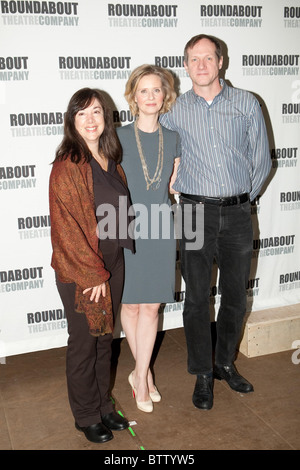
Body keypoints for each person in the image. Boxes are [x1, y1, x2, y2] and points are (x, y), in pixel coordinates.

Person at [160, 34, 271, 410]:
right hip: (193, 211)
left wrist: (242, 200)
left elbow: (262, 161)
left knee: (236, 296)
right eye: (194, 59)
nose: (202, 65)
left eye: (208, 57)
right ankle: (202, 374)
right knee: (195, 299)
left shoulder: (246, 104)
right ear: (186, 65)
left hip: (239, 213)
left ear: (220, 61)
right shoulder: (173, 109)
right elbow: (152, 144)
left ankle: (224, 363)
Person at [49, 88, 134, 443]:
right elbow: (66, 227)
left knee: (104, 341)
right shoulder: (68, 164)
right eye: (81, 113)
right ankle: (85, 415)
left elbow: (119, 211)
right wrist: (92, 273)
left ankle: (103, 405)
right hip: (82, 271)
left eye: (96, 112)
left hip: (112, 263)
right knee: (84, 344)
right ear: (72, 121)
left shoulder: (110, 159)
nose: (90, 120)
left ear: (106, 118)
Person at [117, 65, 180, 412]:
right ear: (133, 96)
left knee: (152, 306)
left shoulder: (173, 138)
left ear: (165, 96)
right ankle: (145, 374)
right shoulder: (118, 136)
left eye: (157, 90)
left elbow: (174, 183)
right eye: (144, 91)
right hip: (123, 224)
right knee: (130, 305)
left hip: (159, 225)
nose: (151, 97)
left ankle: (140, 377)